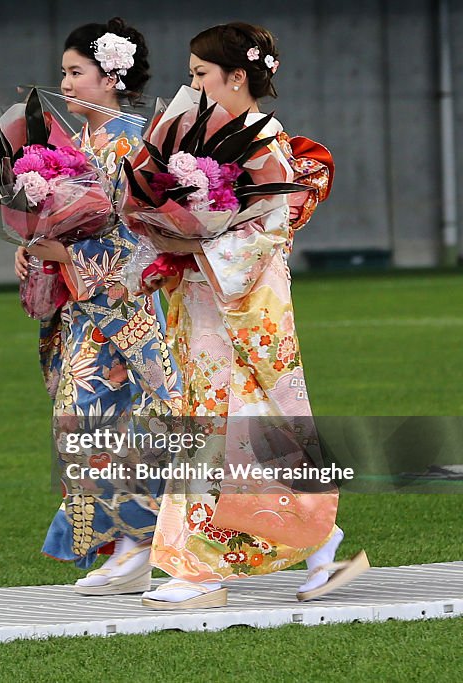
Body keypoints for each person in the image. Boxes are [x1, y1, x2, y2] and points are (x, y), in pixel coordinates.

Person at [136, 22, 367, 609]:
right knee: (242, 424)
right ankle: (321, 543)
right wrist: (174, 237)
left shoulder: (262, 140)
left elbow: (268, 229)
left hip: (241, 300)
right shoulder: (206, 137)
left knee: (234, 423)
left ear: (237, 76)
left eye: (200, 74)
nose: (191, 86)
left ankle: (203, 569)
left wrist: (194, 245)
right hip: (209, 297)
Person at [14, 17, 183, 595]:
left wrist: (62, 250)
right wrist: (37, 251)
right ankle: (125, 545)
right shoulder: (81, 145)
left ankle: (146, 543)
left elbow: (144, 234)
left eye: (75, 72)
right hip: (89, 307)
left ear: (111, 76)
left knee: (145, 425)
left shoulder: (139, 139)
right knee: (83, 424)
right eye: (63, 72)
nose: (64, 83)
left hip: (133, 305)